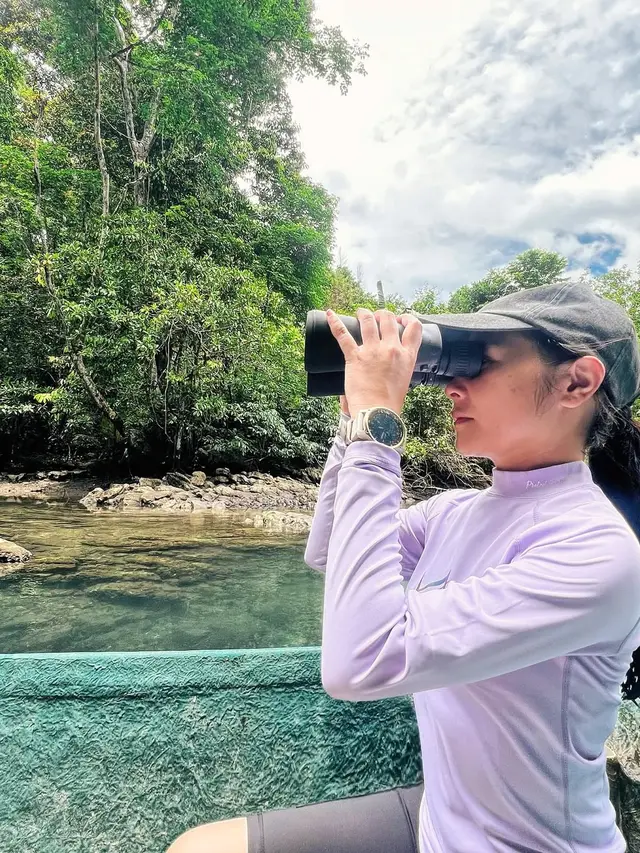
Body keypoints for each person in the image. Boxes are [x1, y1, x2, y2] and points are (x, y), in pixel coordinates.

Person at [167, 280, 640, 853]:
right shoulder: (456, 511)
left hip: (527, 844)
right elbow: (328, 551)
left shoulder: (598, 551)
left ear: (577, 382)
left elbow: (360, 664)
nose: (452, 387)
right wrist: (353, 426)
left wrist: (379, 429)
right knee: (201, 846)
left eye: (480, 362)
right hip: (440, 820)